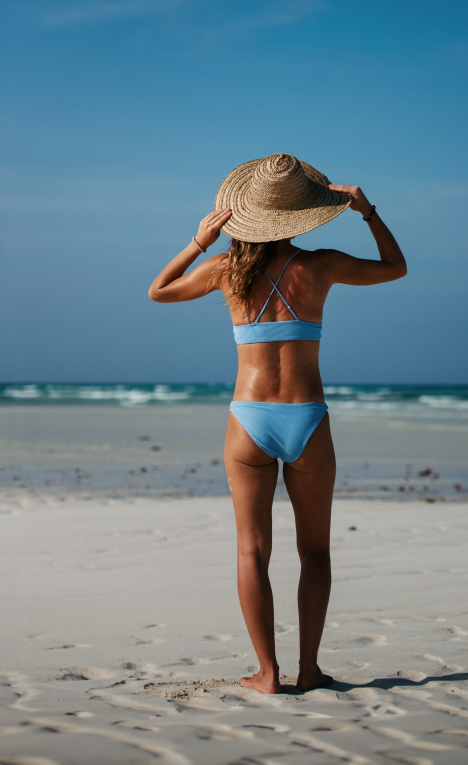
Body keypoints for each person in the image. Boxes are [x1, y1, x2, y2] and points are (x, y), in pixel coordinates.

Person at [149, 152, 407, 694]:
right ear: (303, 214)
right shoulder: (321, 266)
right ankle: (308, 670)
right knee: (315, 551)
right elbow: (395, 268)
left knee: (251, 550)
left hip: (250, 419)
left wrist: (199, 240)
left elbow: (159, 290)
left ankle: (267, 674)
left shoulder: (224, 271)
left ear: (245, 217)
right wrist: (367, 211)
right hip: (308, 419)